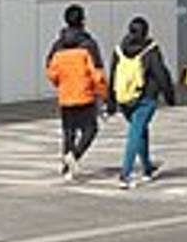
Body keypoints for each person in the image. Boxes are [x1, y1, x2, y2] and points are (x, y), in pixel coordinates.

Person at [107, 17, 176, 187]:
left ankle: (147, 169)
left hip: (124, 99)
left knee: (140, 132)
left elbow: (113, 76)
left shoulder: (119, 50)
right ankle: (125, 174)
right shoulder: (150, 50)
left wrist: (111, 102)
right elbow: (161, 73)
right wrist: (169, 96)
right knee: (135, 134)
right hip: (146, 98)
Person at [45, 21, 108, 180]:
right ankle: (74, 156)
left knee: (69, 133)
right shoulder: (88, 45)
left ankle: (67, 169)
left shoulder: (58, 46)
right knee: (90, 130)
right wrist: (103, 94)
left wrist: (61, 84)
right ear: (83, 21)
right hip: (85, 95)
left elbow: (51, 72)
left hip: (66, 96)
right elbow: (97, 73)